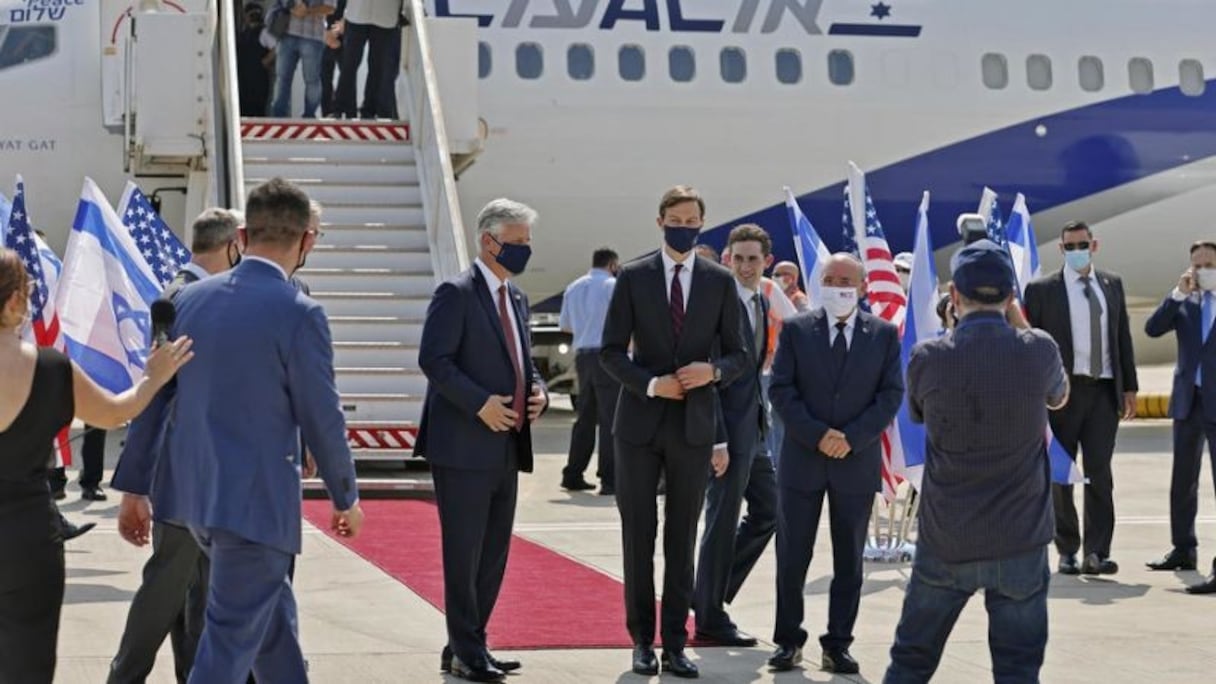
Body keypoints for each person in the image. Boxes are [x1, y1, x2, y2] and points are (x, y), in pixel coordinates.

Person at [111, 178, 363, 683]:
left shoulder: (190, 300)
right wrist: (344, 495)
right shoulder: (300, 311)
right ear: (308, 240)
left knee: (274, 638)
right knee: (225, 649)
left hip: (198, 501)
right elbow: (322, 414)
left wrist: (134, 486)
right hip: (256, 509)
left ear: (243, 235)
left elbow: (155, 398)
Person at [0, 249, 192, 684]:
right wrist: (154, 378)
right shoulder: (51, 367)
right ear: (15, 301)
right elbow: (114, 413)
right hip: (27, 540)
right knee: (27, 665)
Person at [884, 240, 1069, 683]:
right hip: (1020, 536)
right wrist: (1019, 324)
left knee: (912, 660)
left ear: (954, 296)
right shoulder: (1038, 349)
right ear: (1010, 297)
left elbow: (917, 414)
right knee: (1018, 668)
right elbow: (1058, 397)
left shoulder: (929, 356)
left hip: (948, 535)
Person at [601, 185, 747, 678]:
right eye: (677, 218)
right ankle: (642, 641)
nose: (685, 227)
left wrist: (715, 373)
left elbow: (741, 353)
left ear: (702, 223)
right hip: (640, 423)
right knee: (638, 536)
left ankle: (676, 644)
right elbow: (610, 352)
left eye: (693, 220)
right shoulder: (634, 277)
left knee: (682, 538)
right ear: (661, 220)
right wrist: (649, 384)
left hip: (694, 425)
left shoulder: (719, 281)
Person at [108, 208, 243, 684]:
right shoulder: (186, 299)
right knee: (166, 588)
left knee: (196, 594)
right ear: (232, 247)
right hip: (186, 478)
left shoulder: (182, 294)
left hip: (195, 475)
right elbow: (157, 395)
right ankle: (125, 677)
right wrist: (135, 485)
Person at [416, 198, 547, 683]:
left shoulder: (517, 298)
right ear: (488, 241)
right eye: (517, 243)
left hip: (507, 444)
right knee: (464, 551)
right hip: (464, 446)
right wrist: (479, 403)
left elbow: (525, 362)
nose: (524, 252)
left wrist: (540, 393)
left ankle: (467, 644)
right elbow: (435, 359)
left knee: (493, 552)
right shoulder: (455, 293)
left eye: (527, 244)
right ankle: (470, 652)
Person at [767, 253, 904, 676]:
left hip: (854, 461)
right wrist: (818, 434)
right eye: (830, 279)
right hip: (803, 460)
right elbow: (782, 390)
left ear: (863, 287)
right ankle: (788, 641)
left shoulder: (881, 334)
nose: (838, 286)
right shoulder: (795, 329)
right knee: (793, 557)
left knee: (849, 560)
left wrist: (852, 437)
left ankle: (838, 644)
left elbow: (890, 394)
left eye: (847, 280)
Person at [1024, 221, 1138, 575]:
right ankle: (1067, 549)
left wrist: (1129, 387)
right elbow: (1031, 345)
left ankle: (1098, 551)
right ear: (1060, 249)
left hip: (1103, 392)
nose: (1076, 251)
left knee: (1100, 474)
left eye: (1082, 244)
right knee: (1061, 474)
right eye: (1069, 246)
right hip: (1061, 393)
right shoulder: (1042, 290)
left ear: (1094, 245)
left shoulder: (1111, 285)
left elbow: (1122, 338)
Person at [692, 224, 778, 647]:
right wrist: (717, 439)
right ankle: (709, 615)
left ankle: (709, 594)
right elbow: (707, 377)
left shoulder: (760, 301)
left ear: (767, 262)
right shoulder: (717, 304)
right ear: (727, 259)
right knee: (722, 520)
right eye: (738, 258)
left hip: (753, 429)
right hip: (725, 433)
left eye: (753, 259)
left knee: (771, 510)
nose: (745, 266)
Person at [1143, 240, 1216, 592]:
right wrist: (1177, 294)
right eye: (1196, 265)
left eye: (1208, 264)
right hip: (1189, 400)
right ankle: (1183, 548)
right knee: (1182, 480)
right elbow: (1153, 329)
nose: (1202, 271)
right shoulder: (1186, 302)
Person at [559, 247, 620, 495]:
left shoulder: (573, 287)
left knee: (585, 417)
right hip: (606, 355)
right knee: (609, 419)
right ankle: (610, 479)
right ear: (612, 264)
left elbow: (565, 325)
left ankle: (573, 473)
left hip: (583, 356)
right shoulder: (611, 285)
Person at [333, 0, 403, 120]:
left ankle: (369, 110)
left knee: (377, 67)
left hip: (386, 17)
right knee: (349, 64)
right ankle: (339, 108)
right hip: (356, 15)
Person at [269, 0, 335, 118]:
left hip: (313, 36)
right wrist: (292, 5)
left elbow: (331, 7)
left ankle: (309, 115)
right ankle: (279, 116)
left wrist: (307, 11)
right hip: (287, 33)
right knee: (282, 78)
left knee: (312, 80)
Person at [237, 2, 274, 117]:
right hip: (243, 77)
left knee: (257, 108)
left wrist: (266, 61)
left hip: (258, 77)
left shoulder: (264, 32)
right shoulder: (242, 34)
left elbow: (277, 47)